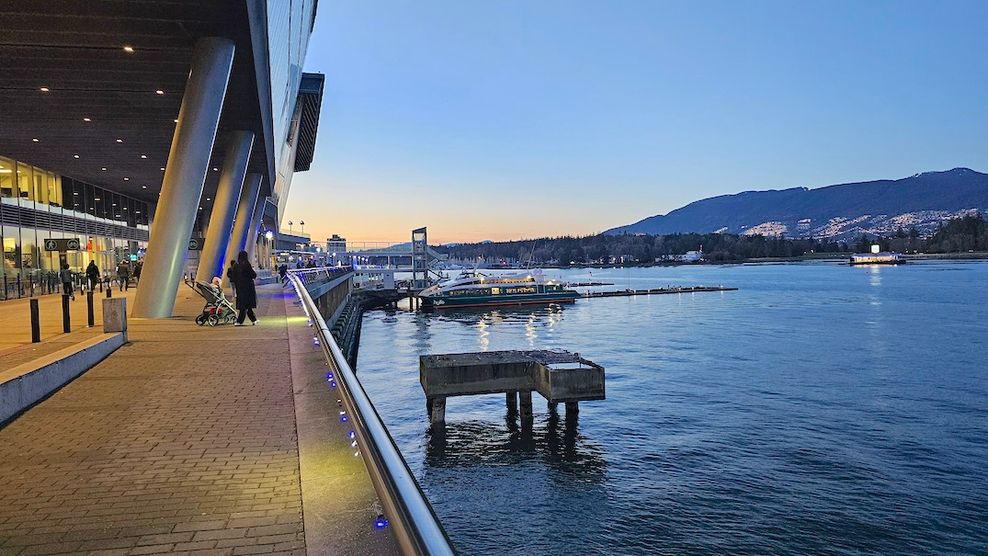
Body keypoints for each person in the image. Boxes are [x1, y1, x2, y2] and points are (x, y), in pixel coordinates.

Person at [230, 250, 257, 326]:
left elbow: (233, 277)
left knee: (244, 305)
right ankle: (240, 321)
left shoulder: (235, 265)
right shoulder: (246, 264)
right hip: (248, 288)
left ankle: (253, 319)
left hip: (239, 288)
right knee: (246, 305)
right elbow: (253, 275)